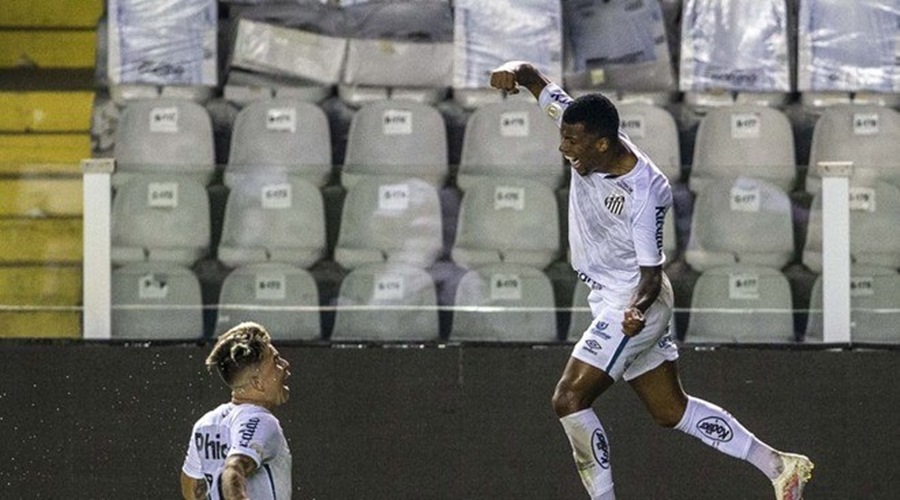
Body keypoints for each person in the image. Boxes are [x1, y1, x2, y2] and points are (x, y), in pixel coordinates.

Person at [489, 61, 814, 500]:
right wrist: (514, 70)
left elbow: (651, 275)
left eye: (573, 142)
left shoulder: (644, 192)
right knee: (670, 410)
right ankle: (777, 466)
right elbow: (536, 81)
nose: (564, 148)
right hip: (611, 296)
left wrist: (635, 313)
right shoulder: (582, 129)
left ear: (603, 143)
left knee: (568, 399)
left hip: (633, 302)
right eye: (563, 137)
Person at [180, 322, 293, 500]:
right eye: (276, 361)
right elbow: (233, 469)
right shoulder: (262, 420)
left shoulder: (205, 424)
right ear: (257, 383)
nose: (285, 365)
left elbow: (192, 486)